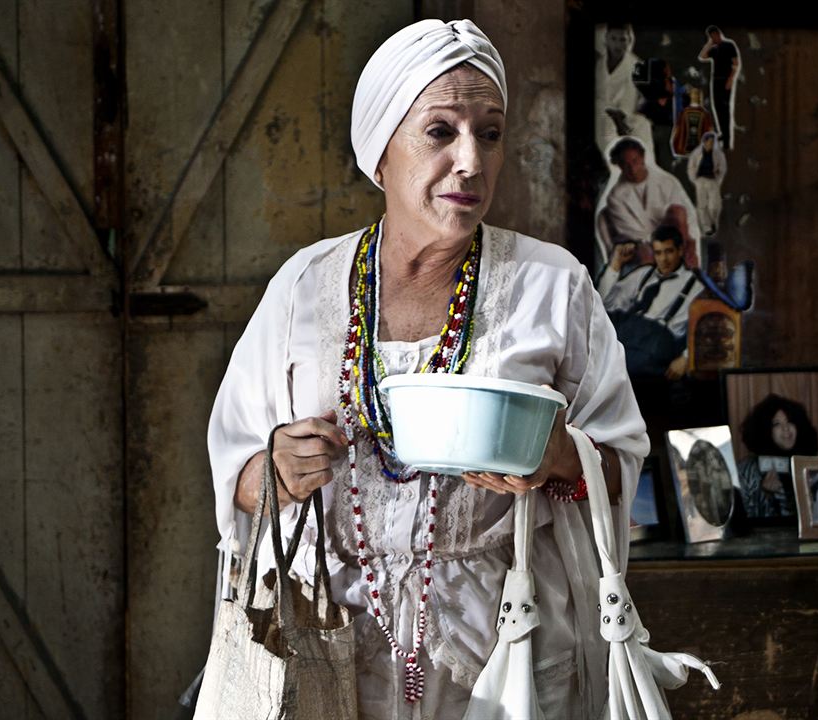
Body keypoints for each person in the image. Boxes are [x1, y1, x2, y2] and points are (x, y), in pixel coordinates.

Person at [206, 19, 648, 719]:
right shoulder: (304, 288)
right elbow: (240, 480)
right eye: (440, 132)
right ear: (380, 152)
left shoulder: (550, 286)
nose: (471, 161)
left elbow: (621, 460)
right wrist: (279, 469)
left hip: (505, 646)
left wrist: (560, 455)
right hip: (331, 639)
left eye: (491, 133)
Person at [597, 224, 704, 379]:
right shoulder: (643, 274)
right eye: (658, 253)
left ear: (680, 250)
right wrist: (615, 265)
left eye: (669, 252)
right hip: (627, 342)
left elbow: (704, 329)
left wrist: (687, 357)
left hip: (657, 350)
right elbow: (605, 304)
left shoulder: (695, 286)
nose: (663, 259)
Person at [596, 137, 701, 267]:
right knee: (646, 252)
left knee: (677, 212)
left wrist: (688, 243)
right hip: (643, 244)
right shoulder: (615, 197)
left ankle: (685, 272)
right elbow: (636, 234)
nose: (633, 169)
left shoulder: (667, 182)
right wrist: (660, 247)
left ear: (643, 157)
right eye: (626, 164)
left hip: (673, 238)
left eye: (635, 161)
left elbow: (687, 217)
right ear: (620, 166)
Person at [735, 394, 818, 519]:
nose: (786, 428)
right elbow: (741, 520)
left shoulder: (809, 466)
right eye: (777, 424)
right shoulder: (747, 470)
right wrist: (764, 495)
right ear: (765, 430)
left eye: (790, 421)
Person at [595, 23, 653, 162]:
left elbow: (630, 97)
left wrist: (620, 117)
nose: (617, 45)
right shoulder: (599, 63)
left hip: (625, 114)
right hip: (601, 111)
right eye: (613, 39)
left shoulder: (635, 65)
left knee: (642, 127)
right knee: (604, 126)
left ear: (629, 41)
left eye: (622, 40)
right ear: (606, 39)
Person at [697, 25, 740, 150]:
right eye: (710, 37)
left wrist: (731, 79)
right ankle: (722, 132)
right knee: (717, 107)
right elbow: (702, 56)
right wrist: (709, 43)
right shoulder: (715, 49)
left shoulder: (729, 45)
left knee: (725, 109)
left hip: (726, 80)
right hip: (715, 80)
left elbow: (736, 64)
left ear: (718, 33)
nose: (712, 38)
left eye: (713, 36)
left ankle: (727, 140)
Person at [687, 131, 727, 235]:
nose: (710, 144)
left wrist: (718, 179)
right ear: (704, 142)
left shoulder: (718, 154)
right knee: (702, 205)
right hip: (700, 180)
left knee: (715, 205)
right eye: (708, 142)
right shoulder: (697, 153)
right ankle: (706, 227)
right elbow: (691, 167)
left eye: (712, 142)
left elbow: (722, 168)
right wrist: (694, 180)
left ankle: (713, 222)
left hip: (712, 180)